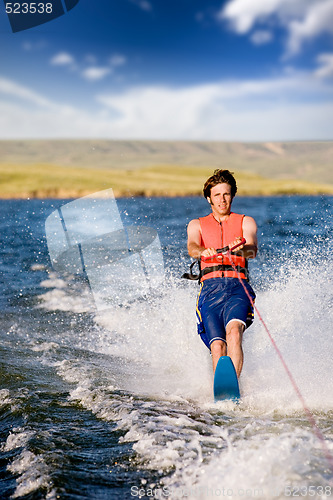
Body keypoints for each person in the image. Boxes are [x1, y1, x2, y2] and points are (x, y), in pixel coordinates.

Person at [186, 169, 257, 378]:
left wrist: (240, 250)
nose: (222, 199)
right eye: (217, 195)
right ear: (209, 198)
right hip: (209, 290)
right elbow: (192, 247)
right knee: (217, 346)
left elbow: (252, 249)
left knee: (234, 333)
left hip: (238, 288)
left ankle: (233, 387)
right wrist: (202, 251)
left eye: (226, 194)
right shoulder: (196, 224)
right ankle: (221, 392)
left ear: (232, 195)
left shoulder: (246, 222)